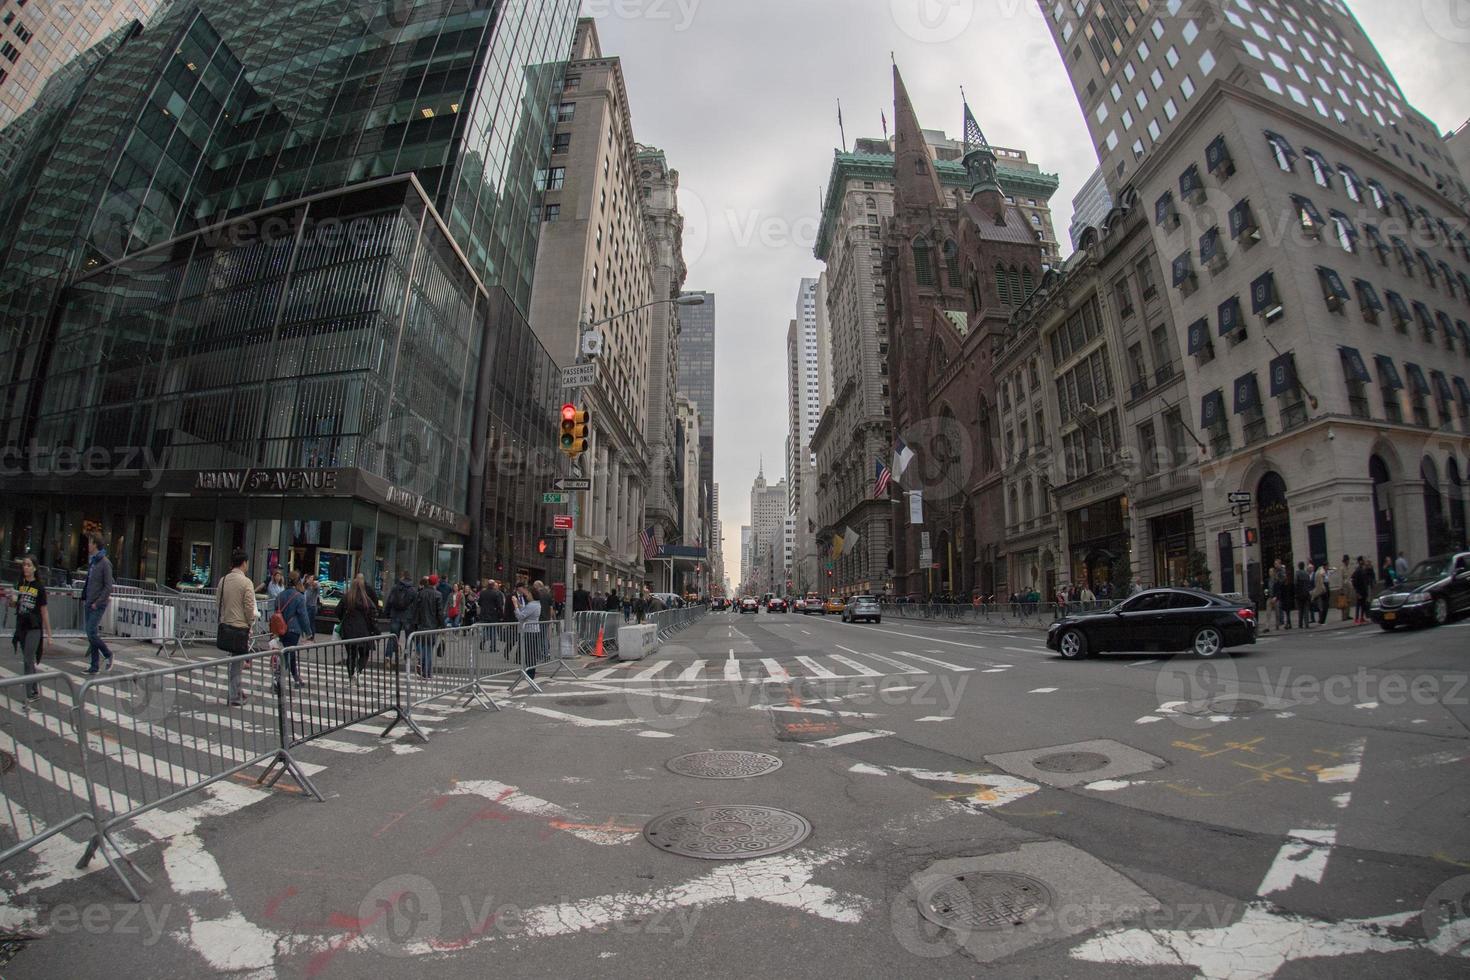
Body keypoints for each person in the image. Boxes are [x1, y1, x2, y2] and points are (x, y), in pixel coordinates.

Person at [9, 555, 51, 708]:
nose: (25, 567)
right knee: (28, 660)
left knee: (27, 659)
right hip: (22, 627)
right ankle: (34, 690)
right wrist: (12, 600)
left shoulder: (39, 587)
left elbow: (44, 611)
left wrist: (49, 634)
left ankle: (29, 695)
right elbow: (15, 605)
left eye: (28, 565)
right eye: (24, 565)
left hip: (34, 627)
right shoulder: (20, 583)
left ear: (34, 568)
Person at [217, 549, 257, 706]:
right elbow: (249, 606)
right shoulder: (246, 582)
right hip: (240, 626)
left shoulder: (223, 580)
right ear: (244, 563)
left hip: (226, 624)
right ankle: (234, 694)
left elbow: (218, 603)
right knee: (237, 662)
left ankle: (236, 691)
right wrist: (250, 621)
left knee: (235, 661)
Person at [82, 533, 115, 675]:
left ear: (95, 544)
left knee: (91, 632)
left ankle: (108, 654)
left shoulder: (105, 563)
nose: (88, 545)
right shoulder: (93, 562)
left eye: (90, 542)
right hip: (89, 601)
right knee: (91, 634)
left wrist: (98, 601)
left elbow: (108, 586)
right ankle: (94, 666)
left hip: (97, 603)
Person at [339, 573, 380, 684]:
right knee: (364, 654)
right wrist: (376, 630)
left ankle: (351, 675)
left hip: (348, 630)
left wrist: (345, 619)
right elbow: (373, 614)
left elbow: (337, 611)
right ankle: (357, 673)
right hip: (363, 631)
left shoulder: (346, 597)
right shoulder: (366, 599)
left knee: (351, 655)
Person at [274, 573, 312, 688]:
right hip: (293, 630)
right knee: (288, 655)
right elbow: (303, 616)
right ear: (297, 582)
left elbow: (276, 612)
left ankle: (296, 679)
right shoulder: (299, 597)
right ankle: (277, 680)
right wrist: (308, 632)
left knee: (289, 654)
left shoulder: (279, 596)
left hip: (281, 628)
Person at [413, 575, 444, 678]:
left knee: (423, 646)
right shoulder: (438, 595)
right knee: (429, 648)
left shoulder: (420, 593)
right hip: (432, 625)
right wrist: (442, 625)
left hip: (422, 625)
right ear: (435, 583)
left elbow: (416, 610)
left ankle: (421, 664)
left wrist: (415, 623)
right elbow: (439, 612)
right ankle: (427, 671)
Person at [385, 571, 415, 663]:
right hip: (408, 616)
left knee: (393, 636)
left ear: (402, 577)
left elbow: (390, 601)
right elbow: (415, 605)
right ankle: (407, 656)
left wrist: (386, 612)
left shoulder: (395, 587)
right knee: (408, 637)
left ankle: (388, 656)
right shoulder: (413, 589)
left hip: (395, 614)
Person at [514, 584, 544, 679]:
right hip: (533, 630)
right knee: (530, 653)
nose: (527, 595)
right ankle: (529, 672)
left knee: (529, 653)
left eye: (528, 593)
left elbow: (521, 616)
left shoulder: (532, 605)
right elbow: (525, 610)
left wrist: (515, 606)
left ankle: (530, 673)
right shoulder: (535, 604)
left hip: (529, 631)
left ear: (532, 594)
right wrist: (519, 605)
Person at [1351, 557, 1374, 626]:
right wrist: (1357, 591)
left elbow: (1368, 576)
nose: (1363, 562)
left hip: (1364, 590)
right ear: (1360, 561)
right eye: (1362, 561)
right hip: (1360, 590)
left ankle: (1361, 617)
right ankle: (1357, 618)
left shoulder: (1363, 569)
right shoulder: (1357, 570)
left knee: (1363, 605)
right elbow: (1353, 580)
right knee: (1358, 605)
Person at [1295, 561, 1314, 629]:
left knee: (1300, 610)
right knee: (1306, 609)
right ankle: (1306, 624)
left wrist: (1296, 593)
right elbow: (1308, 583)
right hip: (1306, 593)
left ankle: (1300, 624)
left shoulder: (1297, 574)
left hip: (1299, 594)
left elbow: (1296, 584)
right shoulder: (1306, 574)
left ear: (1299, 566)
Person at [302, 574, 321, 640]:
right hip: (306, 606)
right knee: (307, 621)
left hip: (312, 607)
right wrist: (304, 579)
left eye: (312, 578)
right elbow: (301, 587)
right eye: (309, 578)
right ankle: (309, 635)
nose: (310, 579)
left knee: (311, 622)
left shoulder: (315, 585)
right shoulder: (307, 586)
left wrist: (313, 582)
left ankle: (311, 636)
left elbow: (317, 586)